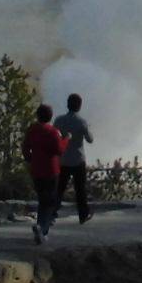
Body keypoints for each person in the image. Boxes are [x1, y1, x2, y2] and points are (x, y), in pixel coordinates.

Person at [23, 102, 67, 242]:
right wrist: (66, 139)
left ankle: (41, 227)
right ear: (50, 117)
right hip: (51, 171)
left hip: (36, 171)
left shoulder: (32, 130)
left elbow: (25, 147)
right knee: (50, 202)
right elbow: (59, 150)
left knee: (43, 200)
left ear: (37, 116)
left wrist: (30, 159)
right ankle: (42, 229)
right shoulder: (53, 132)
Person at [55, 93, 94, 225]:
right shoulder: (81, 122)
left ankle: (51, 212)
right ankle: (83, 215)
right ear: (79, 106)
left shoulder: (59, 120)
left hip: (63, 160)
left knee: (59, 188)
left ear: (68, 104)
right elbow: (90, 139)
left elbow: (55, 139)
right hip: (78, 159)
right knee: (80, 189)